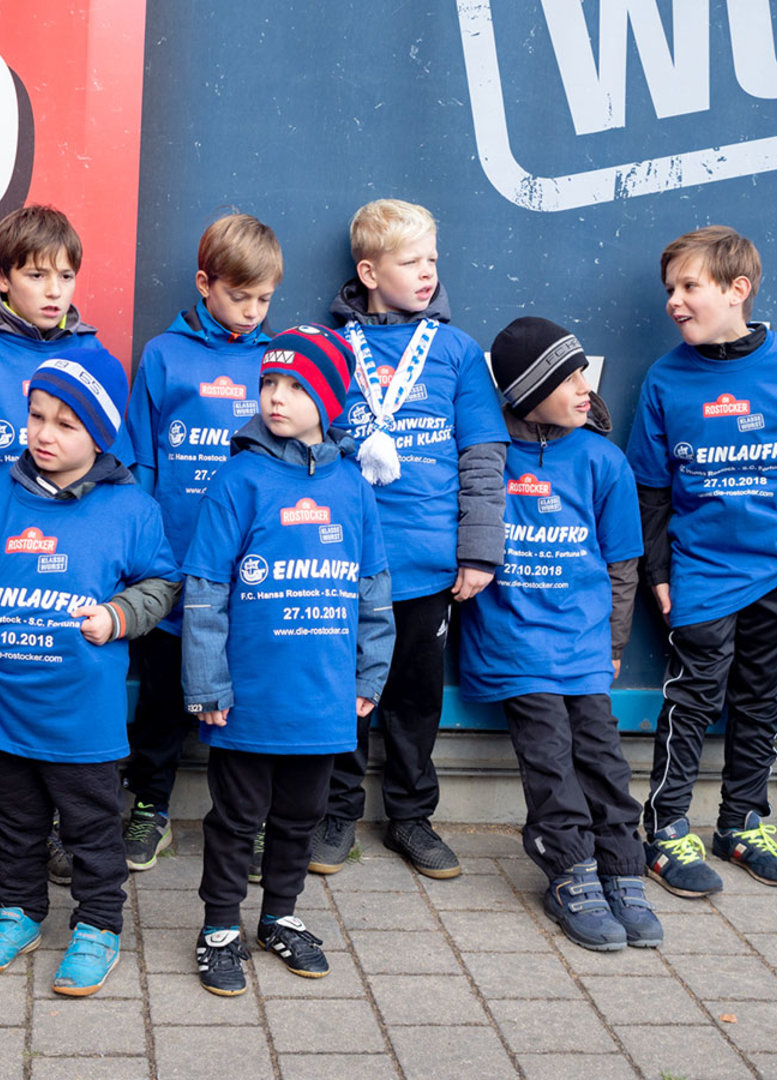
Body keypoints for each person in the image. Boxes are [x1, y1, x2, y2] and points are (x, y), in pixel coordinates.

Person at [626, 224, 777, 896]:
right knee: (693, 697)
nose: (674, 301)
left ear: (737, 289)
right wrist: (658, 573)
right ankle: (666, 830)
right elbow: (650, 489)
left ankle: (741, 823)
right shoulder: (665, 378)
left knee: (762, 699)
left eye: (689, 286)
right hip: (702, 570)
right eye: (669, 289)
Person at [0, 354, 178, 996]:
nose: (44, 434)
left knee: (92, 828)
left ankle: (99, 924)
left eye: (66, 424)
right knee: (15, 822)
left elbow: (162, 582)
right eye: (37, 416)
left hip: (81, 713)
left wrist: (119, 615)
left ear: (99, 437)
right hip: (0, 706)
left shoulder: (130, 508)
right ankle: (17, 912)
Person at [184, 325, 394, 995]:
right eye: (269, 383)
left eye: (295, 387)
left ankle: (279, 915)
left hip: (322, 699)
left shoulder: (353, 486)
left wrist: (369, 672)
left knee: (301, 817)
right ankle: (220, 927)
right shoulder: (239, 478)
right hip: (248, 700)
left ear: (328, 399)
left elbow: (373, 586)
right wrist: (207, 681)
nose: (276, 397)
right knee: (235, 819)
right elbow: (206, 588)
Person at [0, 204, 133, 891]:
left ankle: (49, 827)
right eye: (36, 275)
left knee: (61, 687)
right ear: (3, 277)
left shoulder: (91, 355)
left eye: (65, 276)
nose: (54, 290)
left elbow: (115, 463)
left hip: (71, 560)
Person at [313, 198, 507, 880]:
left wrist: (478, 550)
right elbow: (301, 442)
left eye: (432, 259)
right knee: (344, 692)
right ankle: (336, 813)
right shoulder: (330, 348)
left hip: (427, 566)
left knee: (416, 698)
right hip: (343, 563)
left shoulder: (456, 351)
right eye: (410, 262)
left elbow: (482, 454)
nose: (427, 273)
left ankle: (411, 817)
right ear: (369, 272)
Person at [461, 316, 660, 952]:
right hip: (516, 647)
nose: (584, 388)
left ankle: (622, 868)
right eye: (567, 378)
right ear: (527, 392)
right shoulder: (489, 457)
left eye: (583, 374)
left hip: (583, 648)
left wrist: (613, 647)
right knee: (550, 756)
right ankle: (569, 868)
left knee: (603, 758)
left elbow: (622, 566)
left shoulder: (603, 460)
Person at [120, 212, 281, 873]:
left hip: (248, 573)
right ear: (204, 283)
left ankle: (250, 821)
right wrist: (145, 552)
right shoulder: (164, 355)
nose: (252, 311)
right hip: (176, 566)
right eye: (239, 295)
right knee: (162, 698)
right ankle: (149, 807)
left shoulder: (276, 364)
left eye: (264, 298)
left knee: (245, 704)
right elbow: (141, 461)